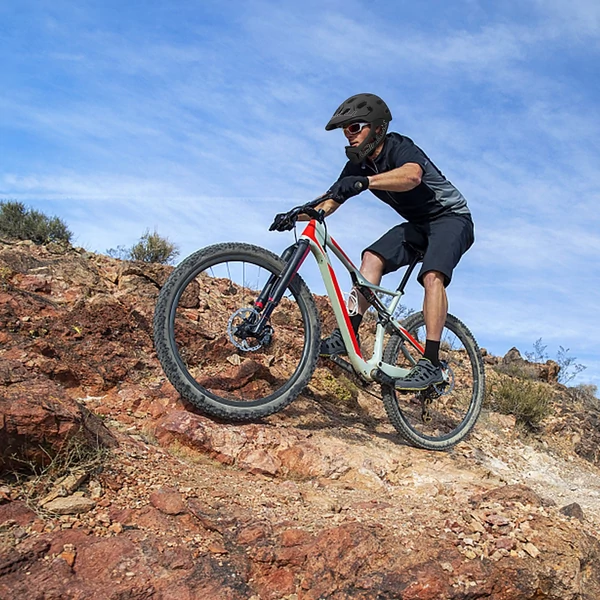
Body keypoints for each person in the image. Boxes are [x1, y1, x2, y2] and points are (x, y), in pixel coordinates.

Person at [301, 93, 474, 390]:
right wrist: (299, 213)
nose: (348, 135)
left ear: (377, 128)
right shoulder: (360, 164)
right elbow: (332, 199)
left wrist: (364, 182)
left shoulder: (398, 146)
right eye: (345, 130)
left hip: (451, 219)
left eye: (354, 127)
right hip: (418, 225)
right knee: (371, 258)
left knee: (432, 276)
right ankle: (348, 336)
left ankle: (431, 363)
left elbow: (412, 176)